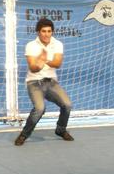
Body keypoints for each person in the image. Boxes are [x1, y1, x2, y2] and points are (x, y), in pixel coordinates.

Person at [15, 17, 73, 146]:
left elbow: (57, 63)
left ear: (52, 32)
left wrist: (43, 60)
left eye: (49, 31)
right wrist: (39, 63)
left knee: (67, 105)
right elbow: (33, 68)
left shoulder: (58, 44)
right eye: (43, 31)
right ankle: (24, 134)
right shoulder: (31, 45)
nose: (46, 34)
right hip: (34, 82)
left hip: (51, 82)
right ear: (38, 32)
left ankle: (60, 130)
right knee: (40, 108)